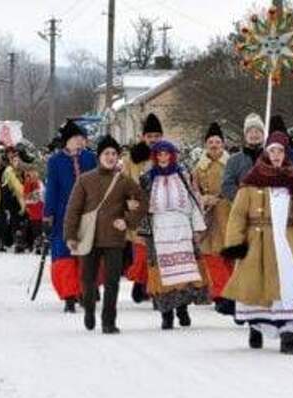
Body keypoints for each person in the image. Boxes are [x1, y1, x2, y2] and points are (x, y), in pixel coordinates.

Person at [222, 131, 293, 354]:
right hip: (257, 241)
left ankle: (288, 334)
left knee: (288, 284)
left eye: (280, 151)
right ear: (266, 152)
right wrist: (235, 242)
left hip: (287, 240)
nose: (277, 155)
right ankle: (256, 326)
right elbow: (238, 214)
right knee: (256, 286)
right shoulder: (252, 180)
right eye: (272, 151)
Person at [64, 135, 146, 333]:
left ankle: (109, 321)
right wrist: (70, 236)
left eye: (113, 154)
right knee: (88, 278)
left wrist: (127, 221)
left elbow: (143, 202)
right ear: (99, 156)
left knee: (112, 282)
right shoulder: (85, 180)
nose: (110, 157)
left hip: (114, 238)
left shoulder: (124, 181)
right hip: (89, 237)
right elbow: (73, 209)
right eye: (106, 153)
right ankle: (90, 310)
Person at [140, 139, 209, 330]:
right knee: (163, 273)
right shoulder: (146, 178)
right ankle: (166, 313)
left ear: (172, 156)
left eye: (166, 154)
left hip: (181, 228)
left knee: (183, 272)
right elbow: (141, 206)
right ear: (155, 157)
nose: (163, 158)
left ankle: (182, 309)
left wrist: (197, 227)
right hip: (158, 230)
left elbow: (193, 202)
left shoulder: (183, 176)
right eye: (159, 154)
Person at [44, 120, 97, 313]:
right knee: (64, 255)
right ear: (67, 140)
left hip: (88, 214)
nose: (80, 141)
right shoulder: (55, 161)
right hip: (62, 215)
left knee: (86, 254)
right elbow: (51, 189)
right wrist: (48, 215)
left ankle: (85, 292)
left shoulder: (90, 158)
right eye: (76, 138)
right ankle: (69, 295)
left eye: (82, 138)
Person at [193, 122, 235, 315]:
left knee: (229, 255)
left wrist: (221, 197)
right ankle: (220, 293)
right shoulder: (199, 167)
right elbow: (193, 190)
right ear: (205, 144)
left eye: (217, 141)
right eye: (210, 142)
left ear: (223, 144)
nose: (214, 145)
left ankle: (233, 293)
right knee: (211, 255)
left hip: (228, 212)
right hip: (208, 216)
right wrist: (202, 198)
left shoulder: (232, 164)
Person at [122, 113, 164, 303]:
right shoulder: (132, 158)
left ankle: (153, 286)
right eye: (150, 136)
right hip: (139, 210)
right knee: (141, 253)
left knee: (156, 252)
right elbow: (123, 182)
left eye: (156, 136)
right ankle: (139, 283)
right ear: (143, 137)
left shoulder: (166, 156)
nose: (153, 140)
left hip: (161, 210)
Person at [221, 113, 265, 202]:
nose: (254, 135)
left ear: (263, 135)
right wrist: (242, 199)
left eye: (257, 132)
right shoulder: (234, 160)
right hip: (242, 208)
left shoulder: (271, 158)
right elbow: (227, 185)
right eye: (250, 132)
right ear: (245, 135)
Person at [23, 166, 45, 254]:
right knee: (35, 226)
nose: (34, 174)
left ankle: (39, 242)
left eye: (35, 172)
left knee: (39, 225)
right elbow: (26, 196)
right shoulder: (28, 183)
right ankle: (36, 243)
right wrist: (33, 196)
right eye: (31, 172)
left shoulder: (40, 182)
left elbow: (43, 194)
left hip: (41, 207)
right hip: (33, 207)